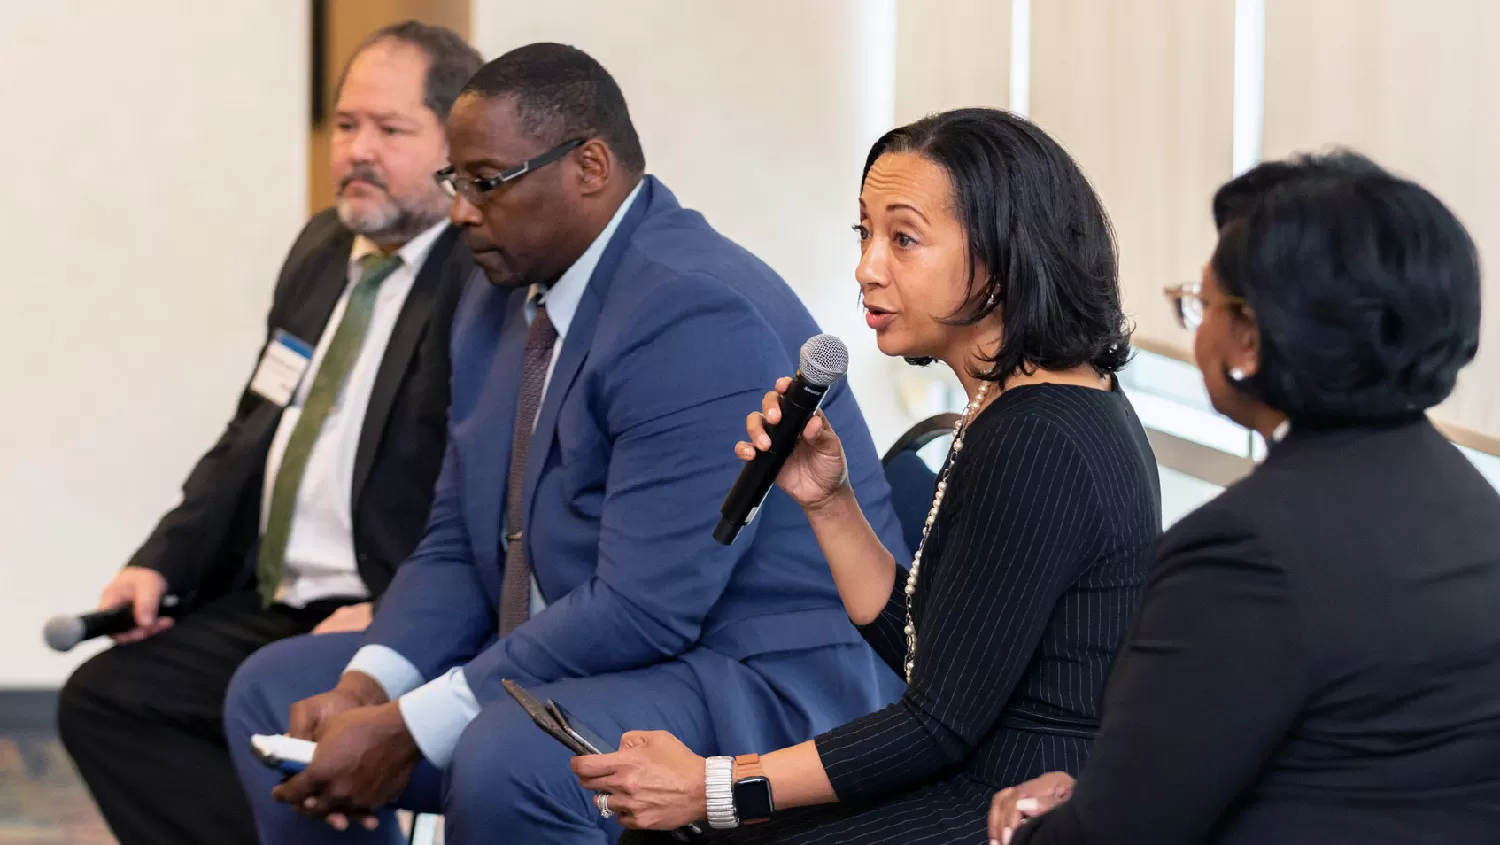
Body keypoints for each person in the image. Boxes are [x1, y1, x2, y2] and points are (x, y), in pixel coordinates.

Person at [222, 42, 906, 844]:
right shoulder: (494, 295)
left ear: (588, 166)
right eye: (455, 181)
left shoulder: (693, 311)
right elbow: (453, 542)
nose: (461, 212)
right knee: (277, 694)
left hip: (756, 676)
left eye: (486, 183)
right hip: (594, 653)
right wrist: (368, 683)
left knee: (510, 757)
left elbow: (646, 607)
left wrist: (410, 723)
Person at [572, 107, 1162, 844]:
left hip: (1013, 806)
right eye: (866, 234)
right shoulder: (1026, 402)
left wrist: (713, 786)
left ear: (1003, 259)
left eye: (904, 238)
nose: (867, 268)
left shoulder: (1038, 434)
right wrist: (829, 501)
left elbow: (937, 724)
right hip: (978, 770)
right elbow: (932, 657)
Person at [52, 21, 482, 845]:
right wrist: (159, 560)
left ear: (455, 147)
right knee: (108, 701)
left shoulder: (479, 277)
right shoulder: (324, 247)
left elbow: (494, 482)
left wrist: (397, 611)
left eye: (390, 130)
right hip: (276, 596)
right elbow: (254, 426)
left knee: (273, 697)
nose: (358, 149)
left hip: (388, 605)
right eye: (347, 123)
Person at [989, 151, 1500, 845]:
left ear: (1250, 337)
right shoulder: (1471, 502)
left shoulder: (1244, 549)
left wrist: (1023, 831)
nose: (1194, 329)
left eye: (1202, 304)